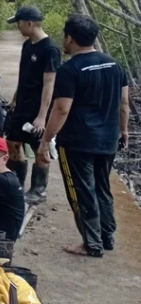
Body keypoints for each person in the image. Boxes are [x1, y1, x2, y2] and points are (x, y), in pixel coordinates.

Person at [37, 14, 130, 258]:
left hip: (78, 141)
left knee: (81, 191)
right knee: (102, 187)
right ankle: (106, 237)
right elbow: (124, 103)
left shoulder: (69, 70)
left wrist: (46, 140)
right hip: (108, 139)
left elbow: (61, 109)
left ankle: (92, 243)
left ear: (70, 38)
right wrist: (123, 130)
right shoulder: (114, 65)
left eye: (64, 37)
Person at [5, 6, 61, 204]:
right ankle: (16, 185)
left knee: (40, 148)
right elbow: (24, 75)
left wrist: (42, 116)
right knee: (12, 141)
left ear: (29, 23)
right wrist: (15, 97)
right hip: (22, 104)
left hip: (39, 107)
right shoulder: (27, 45)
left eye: (19, 23)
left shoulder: (50, 49)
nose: (18, 28)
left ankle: (39, 190)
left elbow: (50, 83)